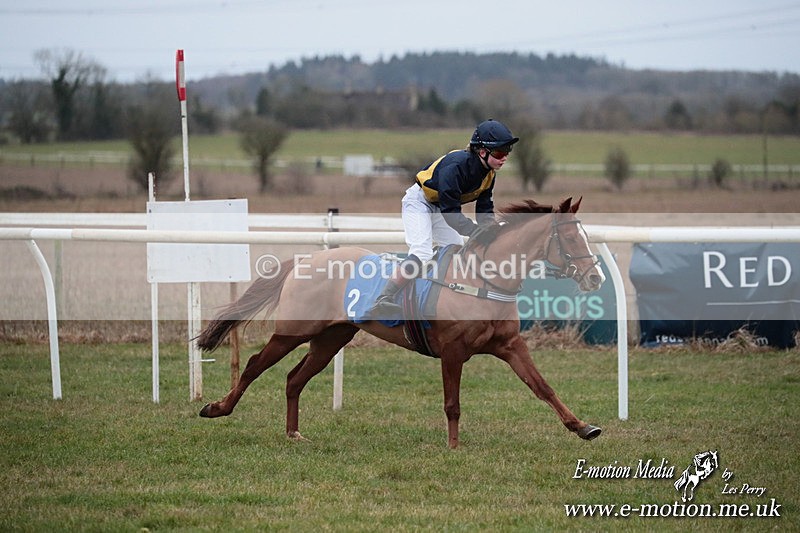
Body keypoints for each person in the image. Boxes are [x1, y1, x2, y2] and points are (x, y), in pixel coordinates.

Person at [369, 119, 519, 317]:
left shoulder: (489, 174)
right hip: (420, 202)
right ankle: (384, 299)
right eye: (499, 153)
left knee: (455, 249)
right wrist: (476, 232)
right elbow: (451, 213)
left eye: (507, 153)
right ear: (482, 152)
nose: (504, 158)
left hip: (440, 206)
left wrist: (491, 231)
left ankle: (439, 298)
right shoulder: (455, 167)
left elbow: (484, 209)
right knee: (422, 251)